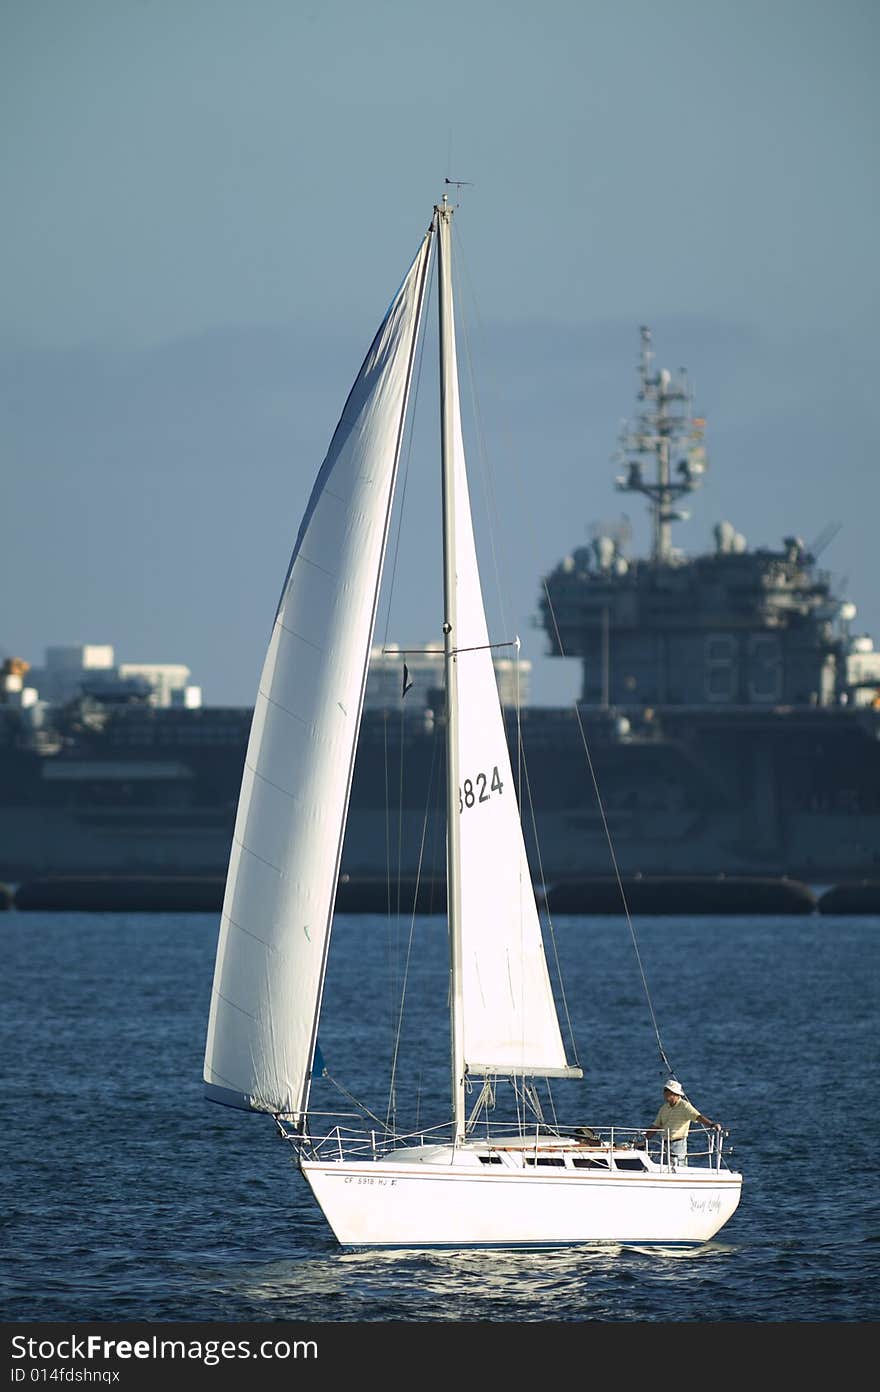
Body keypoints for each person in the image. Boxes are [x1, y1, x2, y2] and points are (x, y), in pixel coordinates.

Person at [645, 1079, 722, 1166]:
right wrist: (644, 1140)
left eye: (667, 1091)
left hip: (678, 1145)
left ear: (675, 1094)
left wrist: (712, 1124)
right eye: (664, 1090)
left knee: (678, 1168)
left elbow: (698, 1117)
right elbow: (655, 1126)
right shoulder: (664, 1108)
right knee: (665, 1168)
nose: (664, 1093)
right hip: (664, 1144)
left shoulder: (685, 1106)